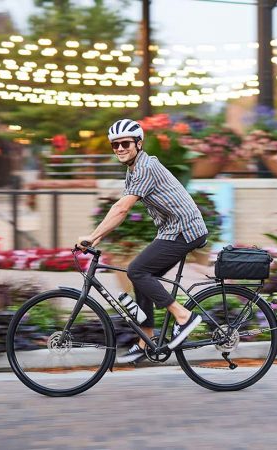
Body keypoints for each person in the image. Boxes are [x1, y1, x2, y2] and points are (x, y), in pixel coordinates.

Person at [77, 119, 209, 364]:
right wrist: (98, 237)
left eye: (125, 143)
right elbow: (119, 210)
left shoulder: (146, 167)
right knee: (141, 276)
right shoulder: (134, 170)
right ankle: (145, 340)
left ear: (139, 143)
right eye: (114, 145)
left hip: (184, 231)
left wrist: (92, 237)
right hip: (172, 230)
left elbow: (121, 209)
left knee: (137, 271)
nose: (119, 148)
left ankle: (184, 317)